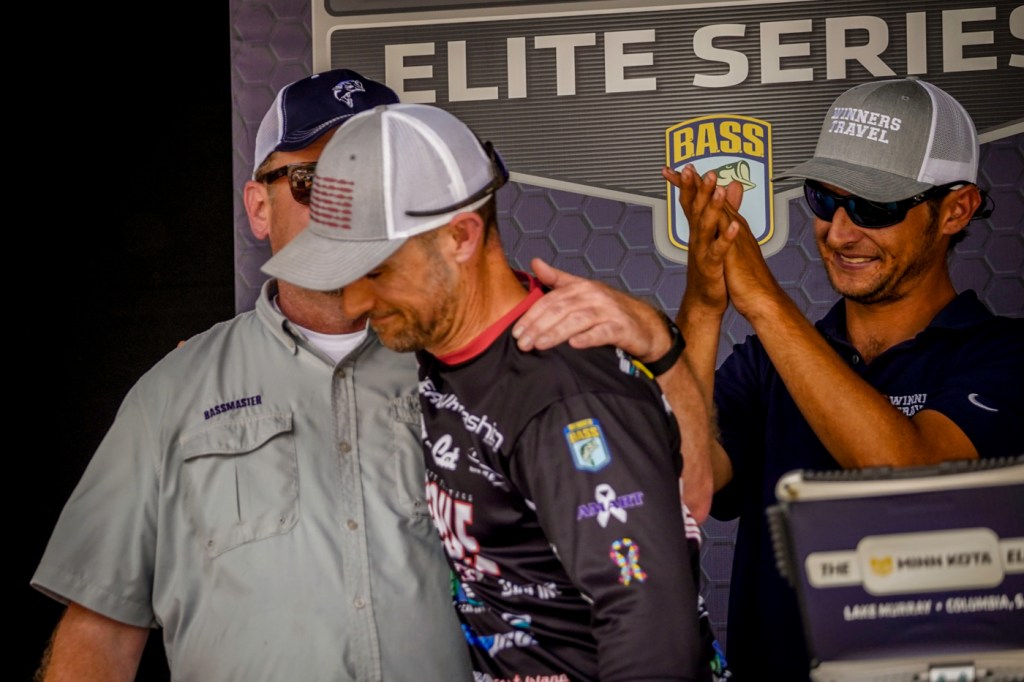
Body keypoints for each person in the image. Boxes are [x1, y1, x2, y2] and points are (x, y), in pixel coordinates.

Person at [513, 78, 1024, 678]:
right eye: (823, 199)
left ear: (956, 209)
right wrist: (705, 303)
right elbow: (684, 485)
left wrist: (761, 298)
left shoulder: (1005, 355)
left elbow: (914, 480)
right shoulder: (766, 363)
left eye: (874, 207)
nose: (840, 232)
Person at [31, 69, 473, 682]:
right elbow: (99, 633)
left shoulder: (470, 368)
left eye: (377, 179)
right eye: (316, 180)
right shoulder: (171, 394)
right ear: (260, 208)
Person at [261, 103, 720, 682]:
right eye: (343, 274)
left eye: (376, 271)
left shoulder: (565, 396)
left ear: (461, 236)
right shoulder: (440, 346)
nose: (354, 303)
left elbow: (652, 637)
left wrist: (663, 345)